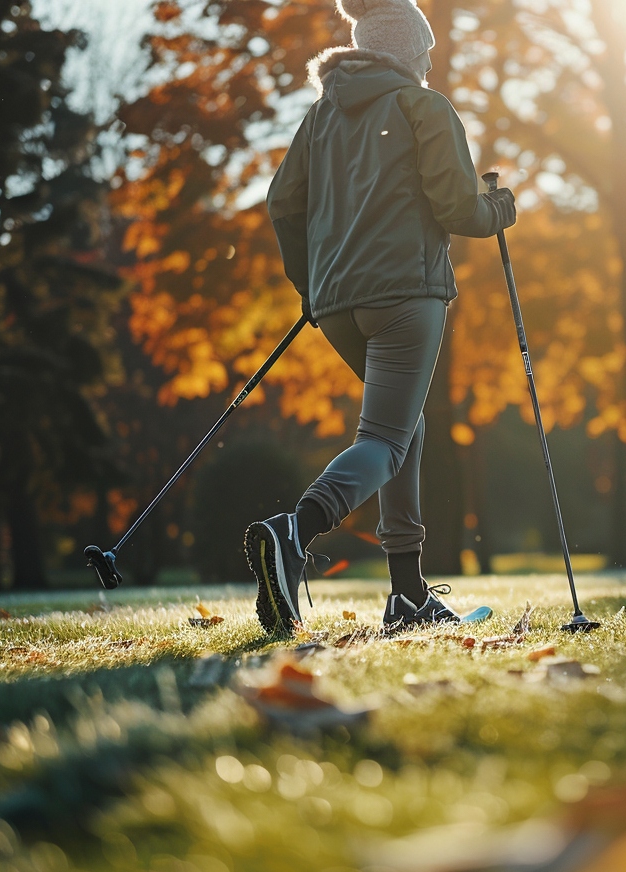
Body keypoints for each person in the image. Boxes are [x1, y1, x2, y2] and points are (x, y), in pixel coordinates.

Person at [247, 0, 515, 635]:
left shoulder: (321, 117)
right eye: (423, 52)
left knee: (402, 431)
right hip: (407, 297)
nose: (428, 62)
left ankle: (407, 593)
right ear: (404, 51)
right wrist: (499, 208)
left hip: (338, 305)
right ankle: (295, 531)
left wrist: (309, 284)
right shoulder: (425, 106)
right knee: (388, 440)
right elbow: (458, 210)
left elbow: (281, 204)